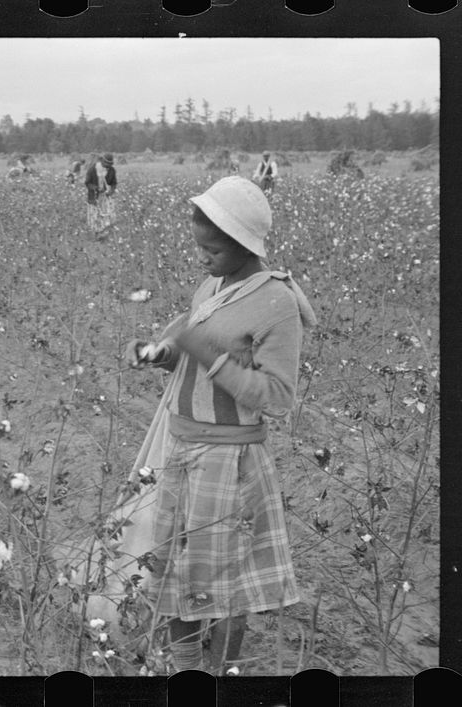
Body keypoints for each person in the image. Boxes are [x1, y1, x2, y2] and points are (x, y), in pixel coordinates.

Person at [124, 175, 316, 674]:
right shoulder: (213, 285)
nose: (201, 258)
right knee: (173, 570)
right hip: (182, 448)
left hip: (228, 462)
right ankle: (189, 667)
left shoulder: (276, 304)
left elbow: (276, 397)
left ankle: (220, 672)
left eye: (211, 250)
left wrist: (207, 355)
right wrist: (161, 353)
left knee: (223, 580)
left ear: (244, 245)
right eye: (199, 247)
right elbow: (191, 356)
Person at [84, 153, 117, 234]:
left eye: (110, 164)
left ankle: (104, 233)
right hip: (94, 196)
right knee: (93, 216)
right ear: (102, 161)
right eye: (107, 163)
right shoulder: (93, 169)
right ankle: (94, 234)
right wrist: (95, 188)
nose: (108, 166)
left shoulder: (112, 170)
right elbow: (87, 183)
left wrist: (111, 191)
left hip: (106, 196)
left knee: (107, 215)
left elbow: (114, 183)